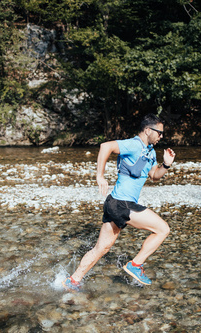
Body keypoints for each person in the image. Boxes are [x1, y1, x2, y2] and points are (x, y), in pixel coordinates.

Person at [63, 114, 176, 291]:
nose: (161, 136)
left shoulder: (151, 152)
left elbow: (154, 176)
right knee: (163, 229)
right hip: (122, 203)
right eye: (159, 133)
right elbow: (105, 146)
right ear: (147, 130)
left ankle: (73, 281)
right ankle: (135, 265)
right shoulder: (133, 144)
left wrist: (166, 165)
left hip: (115, 204)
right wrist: (99, 176)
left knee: (101, 248)